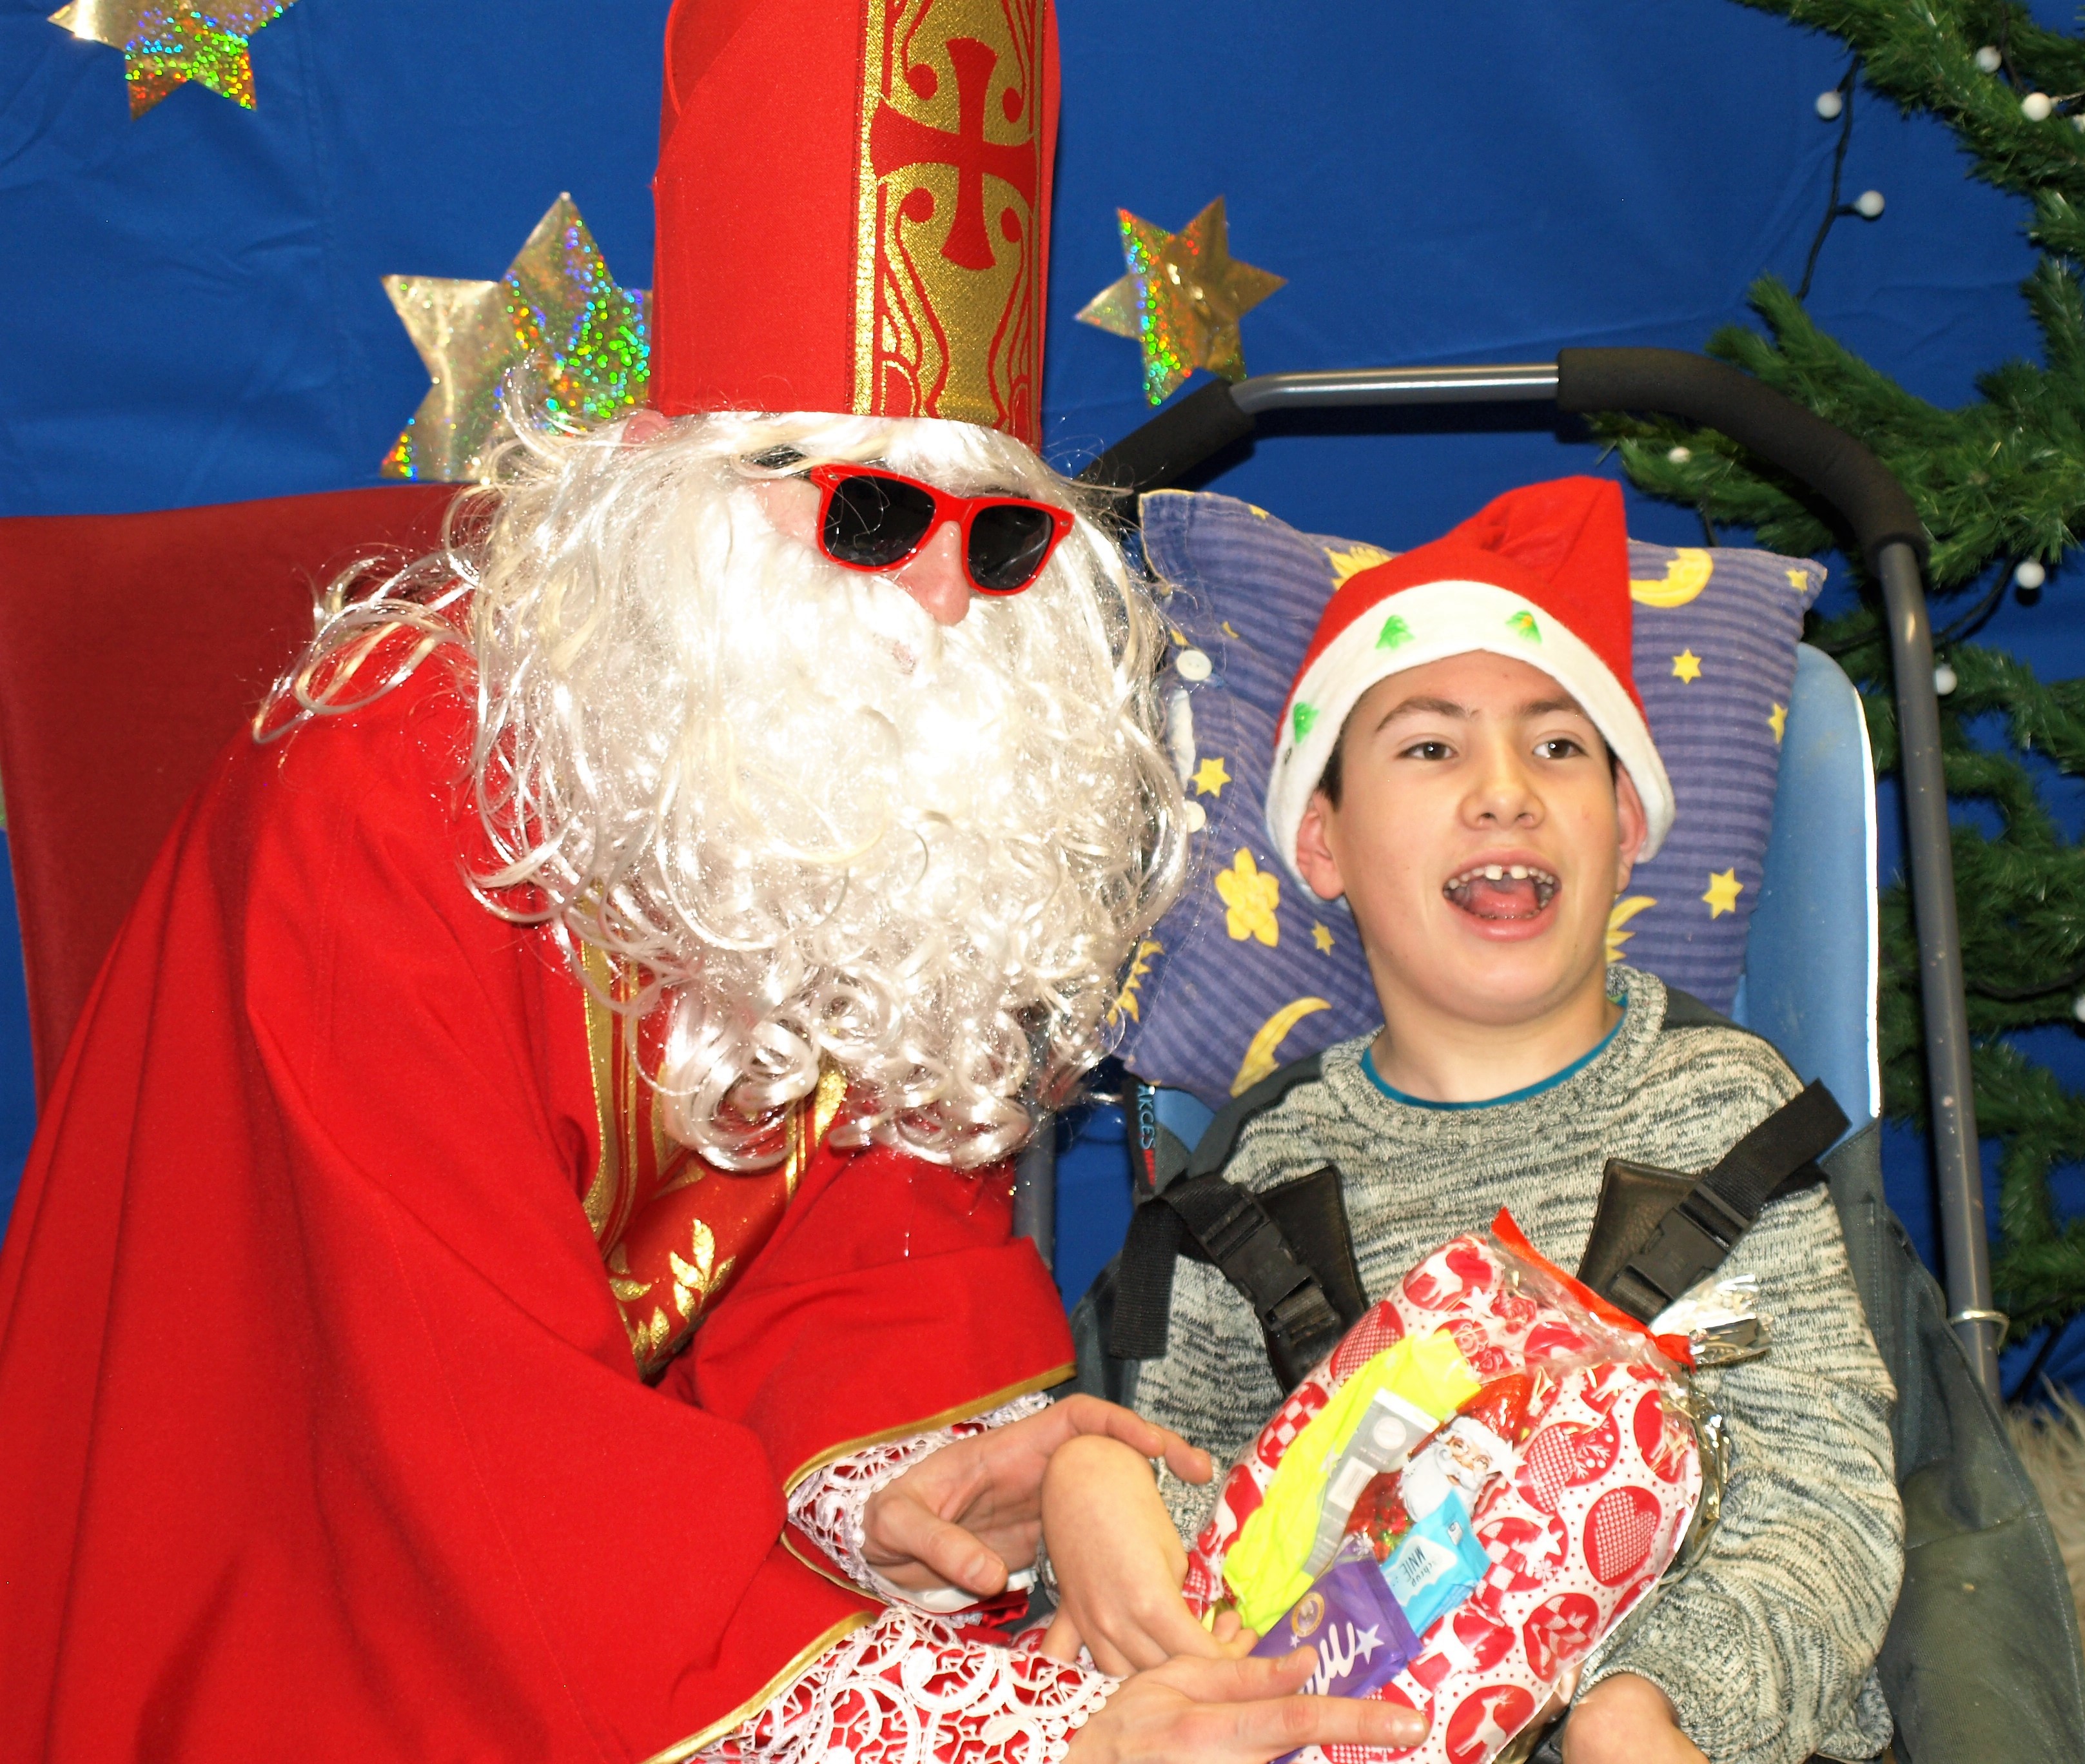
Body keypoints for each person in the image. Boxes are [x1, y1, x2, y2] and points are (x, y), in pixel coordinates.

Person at [0, 5, 1433, 1763]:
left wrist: (924, 1477)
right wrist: (1027, 1734)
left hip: (611, 1553)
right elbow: (449, 1441)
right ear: (677, 499)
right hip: (292, 1568)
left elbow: (863, 1245)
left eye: (1001, 539)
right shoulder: (388, 792)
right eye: (870, 519)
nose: (939, 603)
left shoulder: (875, 777)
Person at [1039, 480, 1905, 1764]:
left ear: (1625, 826)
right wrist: (1094, 1484)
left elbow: (1821, 1500)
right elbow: (1207, 1519)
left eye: (1558, 746)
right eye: (1431, 748)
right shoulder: (1259, 1187)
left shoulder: (1724, 1117)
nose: (1505, 791)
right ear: (1322, 842)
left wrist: (1655, 1705)